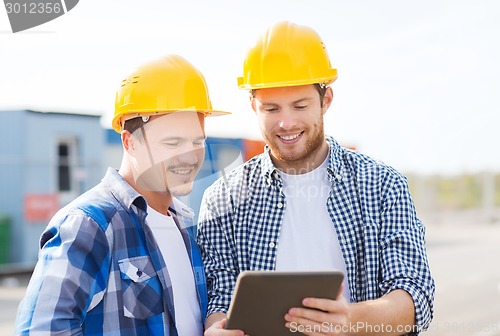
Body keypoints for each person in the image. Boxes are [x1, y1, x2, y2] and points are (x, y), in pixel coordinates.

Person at [198, 22, 435, 335]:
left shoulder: (382, 185)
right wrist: (217, 328)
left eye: (300, 105)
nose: (286, 122)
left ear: (326, 100)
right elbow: (221, 299)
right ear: (252, 106)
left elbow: (415, 299)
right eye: (271, 108)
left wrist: (349, 320)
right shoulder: (222, 198)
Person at [14, 54, 235, 335]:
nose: (190, 156)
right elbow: (40, 330)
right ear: (130, 142)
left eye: (197, 141)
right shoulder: (90, 225)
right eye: (172, 142)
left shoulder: (187, 225)